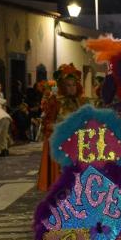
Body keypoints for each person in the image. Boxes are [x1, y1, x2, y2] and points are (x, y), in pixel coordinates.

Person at [37, 63, 87, 191]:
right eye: (68, 85)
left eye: (74, 85)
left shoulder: (80, 101)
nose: (72, 88)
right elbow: (47, 123)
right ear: (63, 86)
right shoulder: (56, 101)